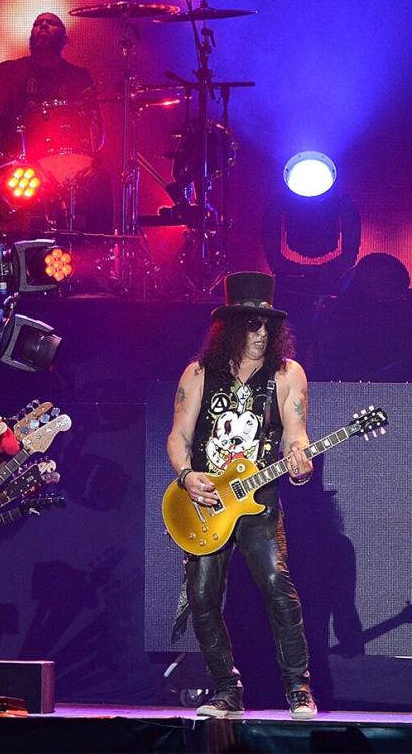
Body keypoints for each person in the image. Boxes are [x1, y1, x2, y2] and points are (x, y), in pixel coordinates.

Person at [166, 272, 317, 719]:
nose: (262, 334)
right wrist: (187, 475)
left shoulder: (288, 374)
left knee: (276, 583)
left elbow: (297, 435)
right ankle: (226, 691)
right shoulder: (197, 374)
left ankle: (298, 688)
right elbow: (177, 437)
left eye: (269, 325)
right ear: (232, 327)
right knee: (203, 594)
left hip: (259, 499)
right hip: (207, 501)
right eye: (253, 325)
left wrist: (301, 462)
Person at [0, 12, 97, 143]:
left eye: (51, 23)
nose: (44, 25)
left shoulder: (79, 77)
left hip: (65, 159)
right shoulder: (9, 71)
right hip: (15, 160)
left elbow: (94, 127)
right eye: (37, 24)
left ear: (65, 39)